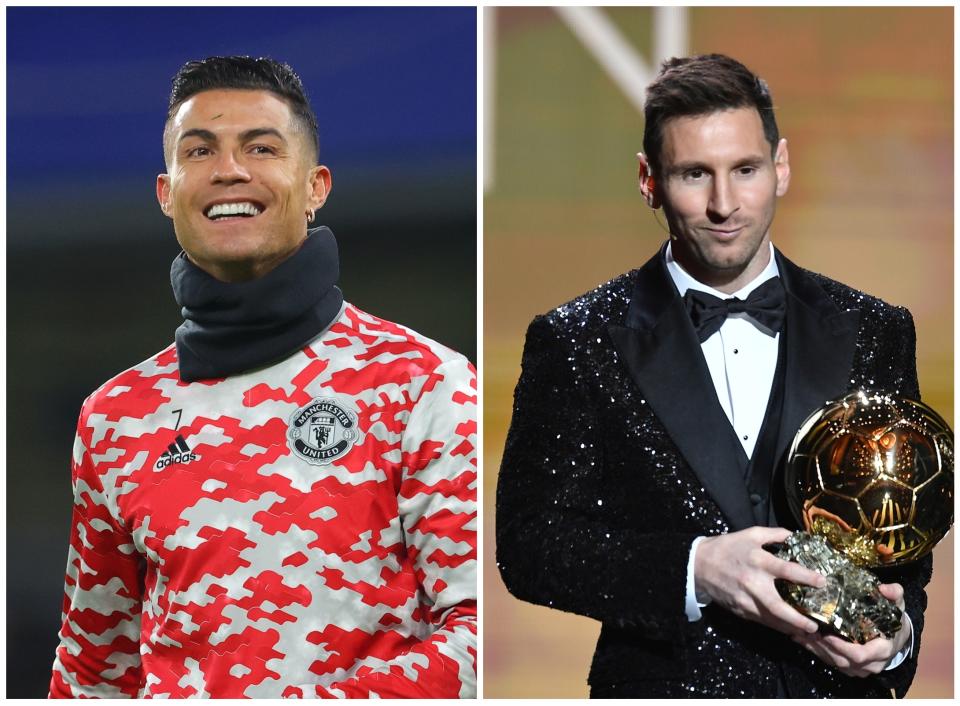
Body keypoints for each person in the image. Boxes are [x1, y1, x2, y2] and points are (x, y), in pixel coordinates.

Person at [495, 54, 930, 698]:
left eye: (745, 170)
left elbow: (905, 533)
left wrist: (895, 643)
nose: (724, 205)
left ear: (780, 167)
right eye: (695, 174)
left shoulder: (875, 328)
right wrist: (695, 569)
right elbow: (531, 546)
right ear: (649, 180)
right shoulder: (576, 339)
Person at [50, 56, 477, 699]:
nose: (229, 170)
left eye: (261, 147)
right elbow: (92, 671)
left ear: (315, 186)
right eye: (200, 151)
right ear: (167, 192)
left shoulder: (424, 382)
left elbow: (481, 634)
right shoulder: (115, 417)